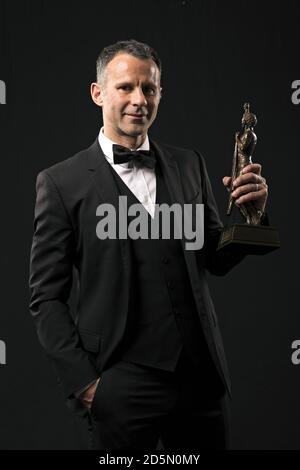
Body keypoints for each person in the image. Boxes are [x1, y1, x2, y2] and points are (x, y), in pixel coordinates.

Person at [28, 39, 268, 451]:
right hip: (119, 384)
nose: (139, 99)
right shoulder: (60, 183)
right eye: (126, 87)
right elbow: (46, 298)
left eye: (149, 89)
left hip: (199, 382)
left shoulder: (190, 164)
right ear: (98, 92)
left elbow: (213, 256)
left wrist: (253, 217)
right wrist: (87, 385)